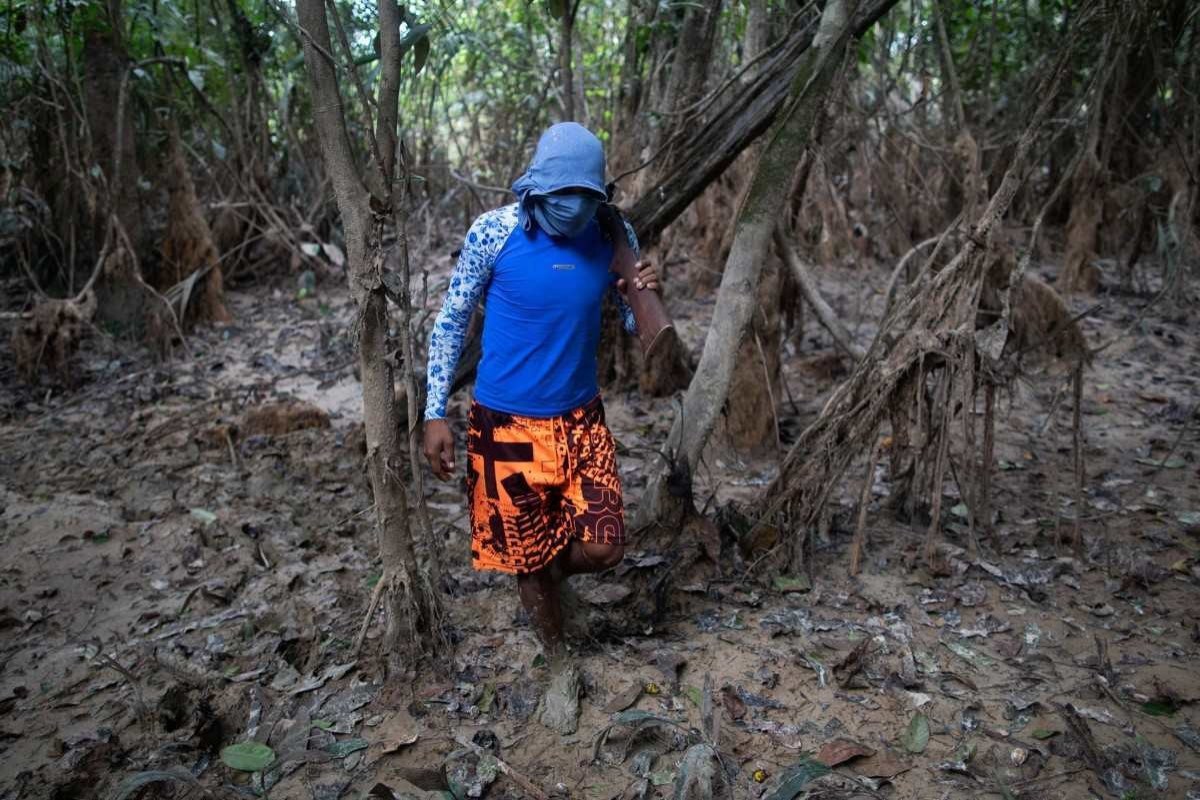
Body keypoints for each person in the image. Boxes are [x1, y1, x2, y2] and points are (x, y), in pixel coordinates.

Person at [422, 122, 659, 668]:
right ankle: (556, 662)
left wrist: (645, 288)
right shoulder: (494, 233)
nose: (573, 206)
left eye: (585, 195)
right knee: (525, 559)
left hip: (581, 419)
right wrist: (434, 412)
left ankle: (549, 576)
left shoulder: (611, 233)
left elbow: (630, 320)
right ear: (535, 187)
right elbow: (452, 321)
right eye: (561, 195)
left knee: (605, 546)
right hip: (505, 425)